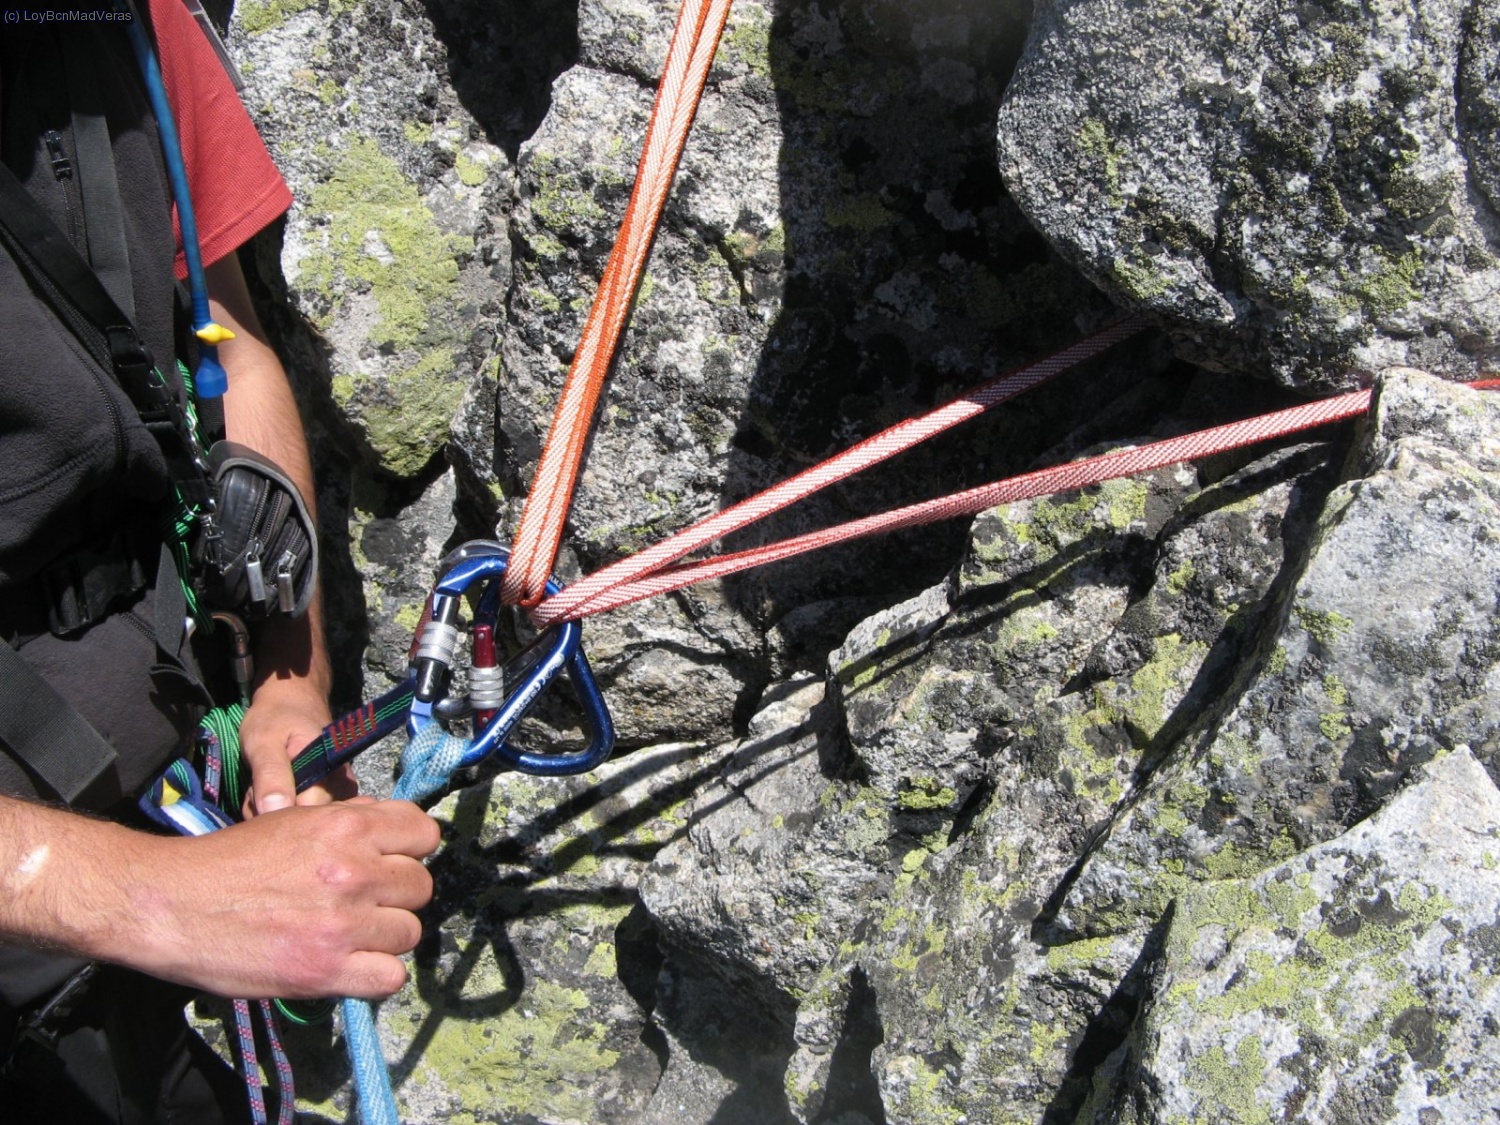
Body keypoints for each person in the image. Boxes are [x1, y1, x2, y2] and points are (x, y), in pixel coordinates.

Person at [0, 2, 440, 1120]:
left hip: (166, 765)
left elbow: (224, 334)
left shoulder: (124, 26)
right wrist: (155, 901)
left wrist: (292, 694)